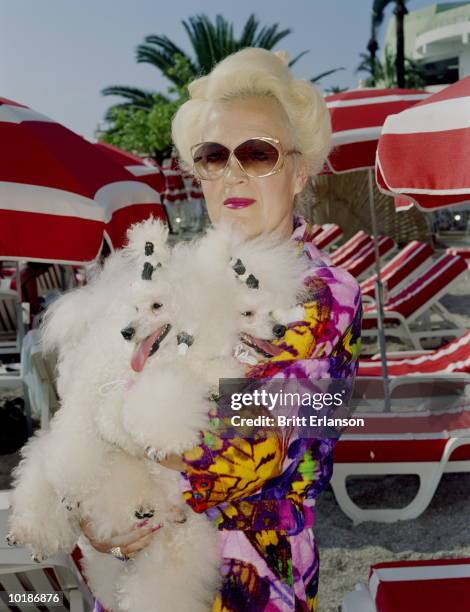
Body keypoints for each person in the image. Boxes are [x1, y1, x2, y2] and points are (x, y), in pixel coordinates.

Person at [82, 48, 362, 611]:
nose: (233, 172)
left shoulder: (323, 296)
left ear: (300, 169)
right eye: (213, 155)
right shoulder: (176, 275)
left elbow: (241, 449)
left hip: (244, 582)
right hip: (139, 579)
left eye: (258, 153)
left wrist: (110, 461)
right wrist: (97, 512)